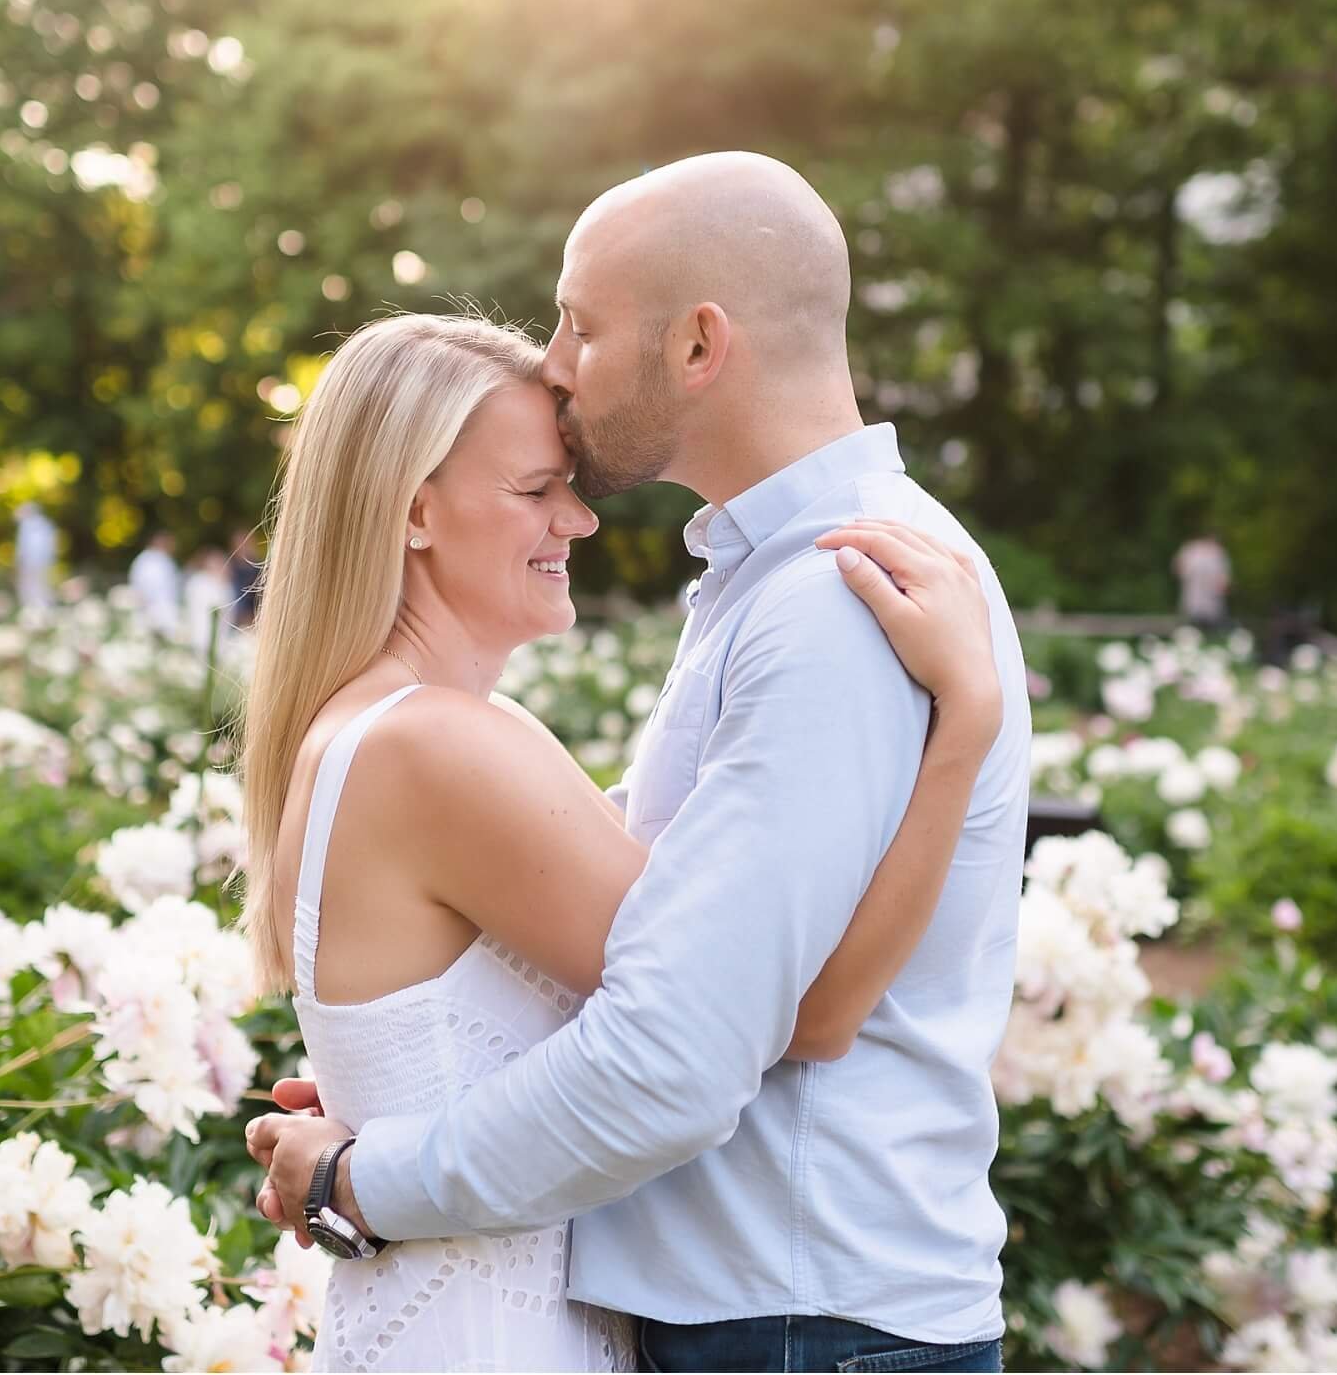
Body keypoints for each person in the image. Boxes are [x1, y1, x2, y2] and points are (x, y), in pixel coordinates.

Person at [247, 152, 1033, 1373]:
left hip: (801, 1314)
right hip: (758, 1312)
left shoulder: (838, 596)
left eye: (580, 324)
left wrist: (366, 1174)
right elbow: (714, 989)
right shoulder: (760, 587)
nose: (557, 364)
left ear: (699, 345)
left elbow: (732, 1031)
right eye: (532, 488)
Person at [1174, 529, 1232, 630]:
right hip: (1194, 603)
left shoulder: (1218, 553)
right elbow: (1179, 569)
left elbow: (1224, 582)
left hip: (1210, 606)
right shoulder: (1191, 550)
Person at [129, 530, 183, 637]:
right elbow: (148, 590)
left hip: (163, 612)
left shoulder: (161, 560)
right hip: (153, 613)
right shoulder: (149, 561)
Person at [183, 546, 231, 655]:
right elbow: (215, 604)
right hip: (202, 634)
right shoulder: (199, 581)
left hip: (221, 636)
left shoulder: (224, 583)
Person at [13, 502, 57, 611]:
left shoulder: (30, 525)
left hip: (33, 561)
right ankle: (38, 609)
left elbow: (26, 547)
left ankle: (36, 609)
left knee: (35, 585)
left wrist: (21, 561)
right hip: (40, 561)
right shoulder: (45, 524)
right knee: (38, 584)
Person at [227, 527, 266, 626]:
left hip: (251, 621)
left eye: (246, 543)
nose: (243, 547)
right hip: (231, 617)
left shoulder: (259, 569)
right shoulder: (229, 568)